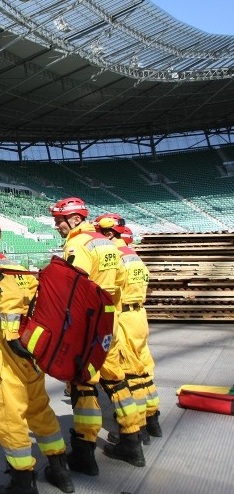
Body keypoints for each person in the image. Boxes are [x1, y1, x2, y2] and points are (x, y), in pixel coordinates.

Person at [0, 217, 74, 494]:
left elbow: (9, 297)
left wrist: (10, 338)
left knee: (10, 414)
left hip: (6, 347)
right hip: (28, 346)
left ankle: (23, 485)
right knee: (38, 407)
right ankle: (60, 469)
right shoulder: (11, 263)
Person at [50, 197, 144, 474]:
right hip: (109, 320)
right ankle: (132, 441)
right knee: (116, 380)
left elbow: (72, 286)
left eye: (59, 220)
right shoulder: (107, 243)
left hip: (88, 326)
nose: (56, 226)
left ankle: (84, 452)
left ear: (76, 219)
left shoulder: (78, 243)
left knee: (84, 385)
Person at [93, 215, 162, 443]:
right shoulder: (134, 257)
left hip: (123, 316)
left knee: (130, 373)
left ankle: (137, 428)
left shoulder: (116, 258)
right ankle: (153, 420)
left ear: (110, 234)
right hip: (139, 315)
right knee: (143, 368)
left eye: (100, 234)